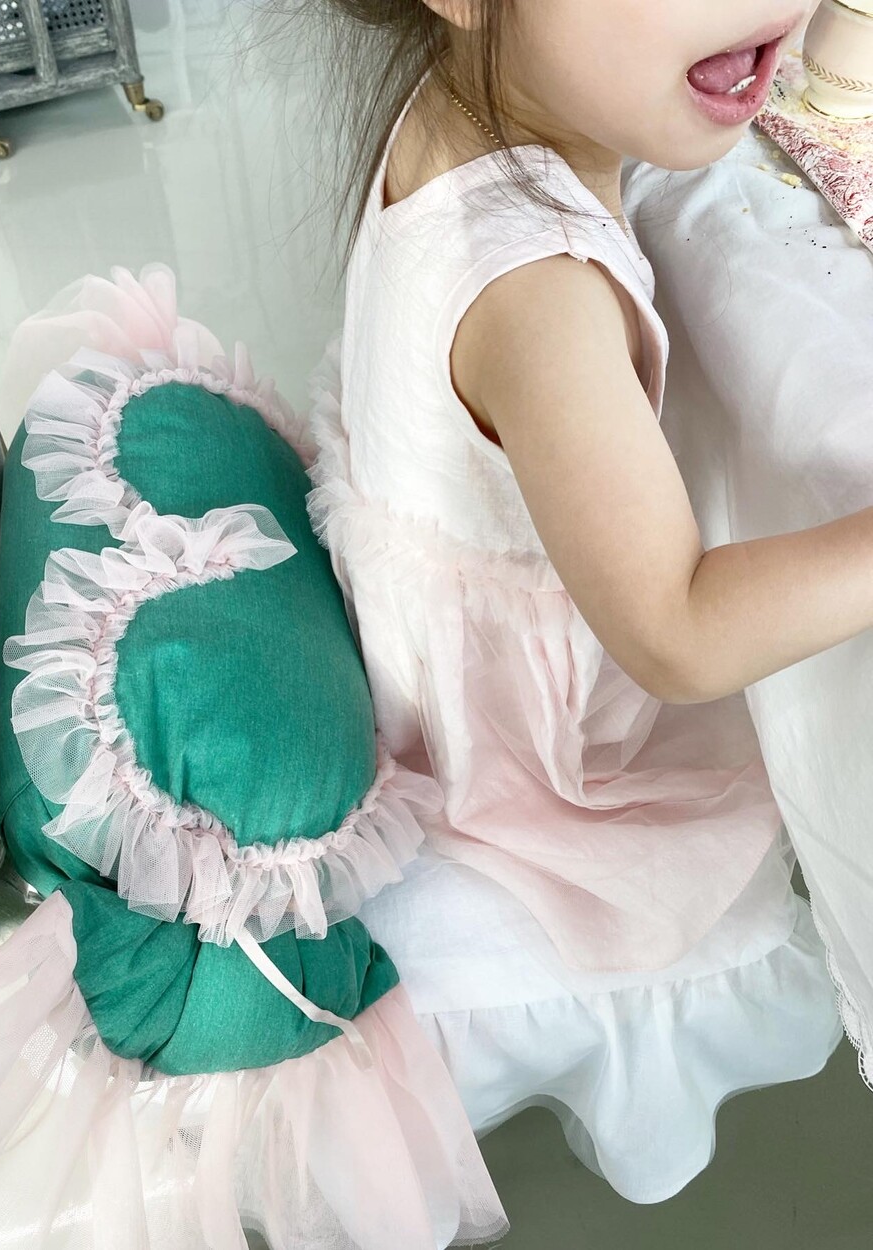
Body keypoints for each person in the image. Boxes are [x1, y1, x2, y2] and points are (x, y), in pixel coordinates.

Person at [302, 0, 851, 1202]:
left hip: (434, 666)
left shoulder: (464, 96)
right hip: (535, 781)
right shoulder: (538, 293)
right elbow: (678, 630)